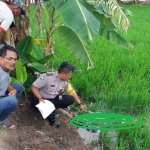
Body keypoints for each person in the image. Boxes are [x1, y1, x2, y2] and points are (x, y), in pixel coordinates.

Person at [31, 62, 85, 128]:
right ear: (63, 73)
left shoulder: (65, 81)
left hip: (53, 99)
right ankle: (52, 121)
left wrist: (80, 104)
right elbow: (33, 87)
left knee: (70, 99)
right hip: (40, 100)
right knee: (50, 115)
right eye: (69, 75)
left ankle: (53, 109)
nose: (70, 76)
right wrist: (40, 98)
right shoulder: (47, 77)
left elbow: (72, 92)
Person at [0, 45, 23, 129]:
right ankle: (1, 119)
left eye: (15, 59)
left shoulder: (5, 69)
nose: (13, 62)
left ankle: (6, 107)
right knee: (12, 100)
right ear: (1, 59)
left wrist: (12, 90)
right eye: (10, 59)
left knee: (18, 87)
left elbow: (5, 83)